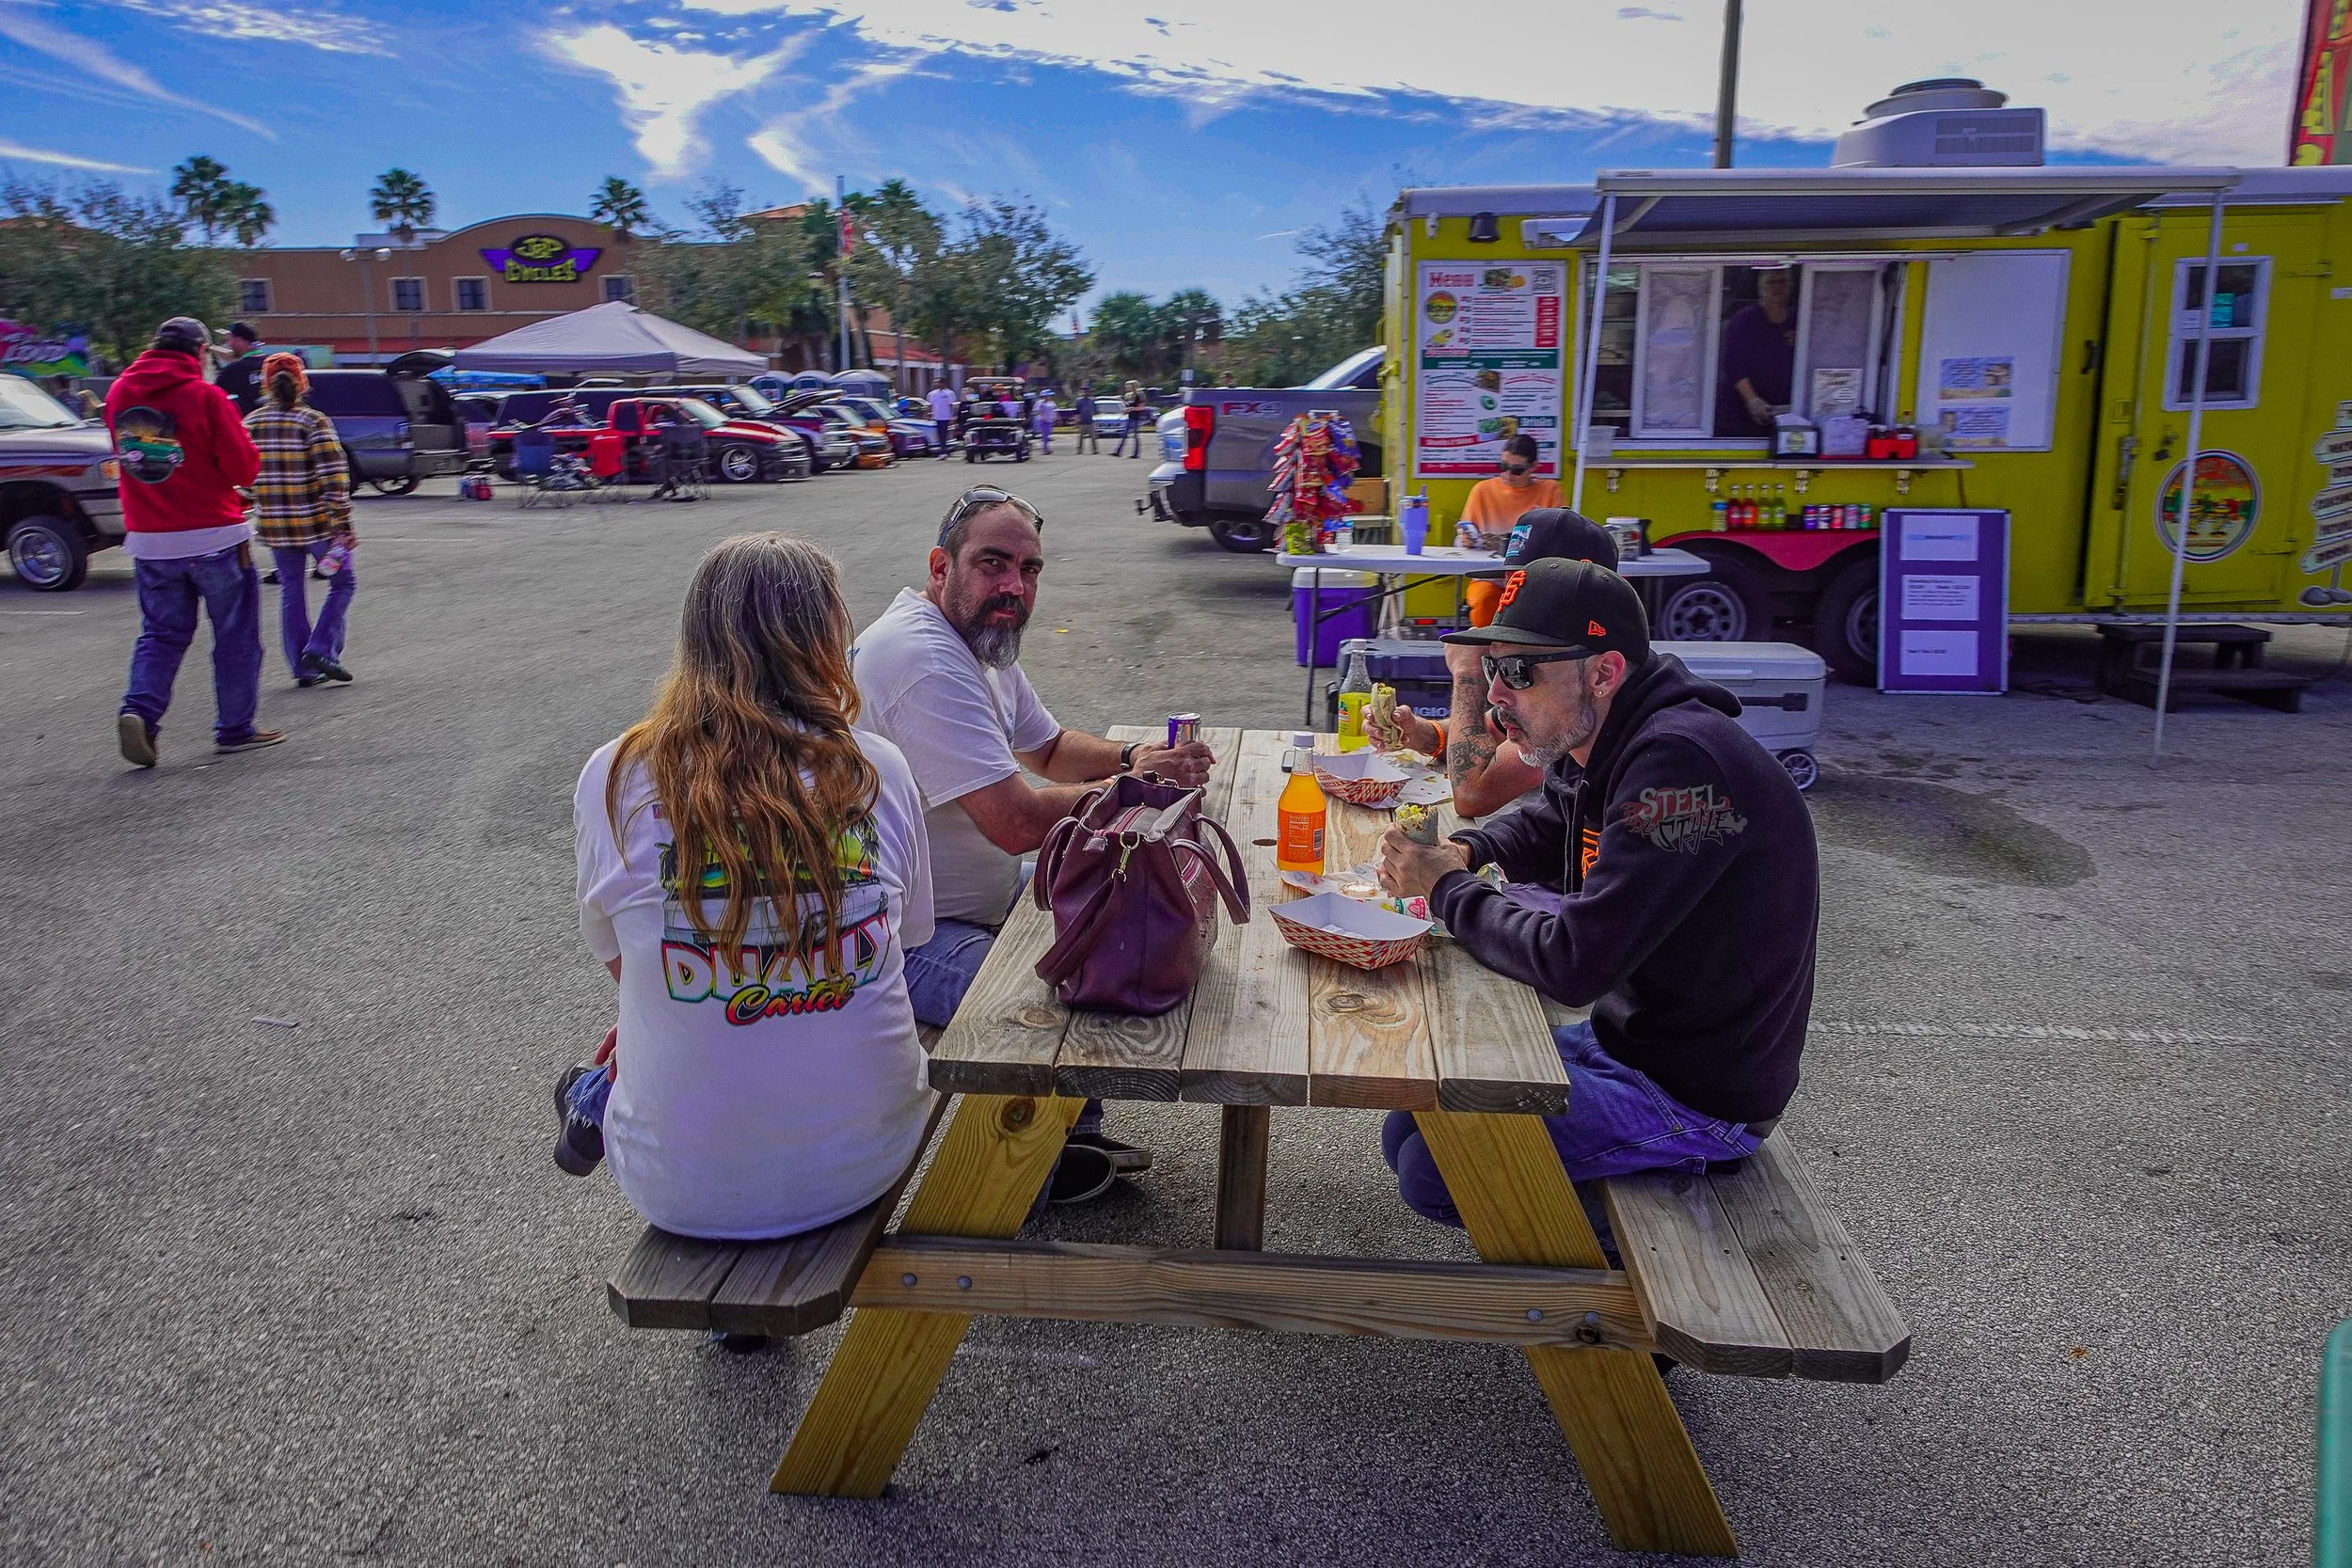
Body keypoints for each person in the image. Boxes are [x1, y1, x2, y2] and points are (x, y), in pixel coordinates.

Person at [1373, 558, 1818, 1231]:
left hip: (1699, 1096)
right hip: (1633, 1044)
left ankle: (1650, 1257)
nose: (1497, 696)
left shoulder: (1682, 767)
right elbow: (1551, 821)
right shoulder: (1608, 738)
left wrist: (1446, 887)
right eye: (1493, 667)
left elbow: (1575, 963)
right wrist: (1471, 850)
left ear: (1603, 671)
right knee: (1410, 1121)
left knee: (1434, 1168)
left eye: (1520, 673)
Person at [560, 532, 937, 1280]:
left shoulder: (617, 774)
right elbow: (911, 935)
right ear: (830, 640)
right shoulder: (876, 769)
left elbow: (621, 959)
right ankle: (596, 1092)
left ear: (695, 642)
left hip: (679, 1185)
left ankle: (594, 1094)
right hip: (869, 1153)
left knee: (656, 1011)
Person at [851, 487, 1214, 1201]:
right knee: (1067, 995)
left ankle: (1069, 1131)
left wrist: (1133, 757)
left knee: (1119, 918)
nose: (1015, 585)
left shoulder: (978, 639)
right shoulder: (922, 657)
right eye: (993, 563)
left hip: (966, 901)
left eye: (1030, 569)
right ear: (939, 565)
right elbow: (1017, 821)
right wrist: (1138, 791)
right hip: (901, 938)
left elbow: (1046, 747)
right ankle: (1013, 1176)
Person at [106, 315, 282, 767]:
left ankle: (140, 713)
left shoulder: (118, 394)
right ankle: (235, 728)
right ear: (200, 352)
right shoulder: (206, 396)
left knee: (161, 635)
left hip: (150, 541)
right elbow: (244, 470)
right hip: (214, 536)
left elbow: (131, 458)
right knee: (235, 636)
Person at [1368, 508, 1618, 818]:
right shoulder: (1559, 671)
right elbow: (1487, 735)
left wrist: (1468, 672)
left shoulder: (1573, 684)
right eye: (1508, 587)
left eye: (1528, 589)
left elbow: (1473, 792)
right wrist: (1416, 731)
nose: (1509, 604)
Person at [246, 353, 358, 687]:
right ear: (302, 382)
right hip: (317, 524)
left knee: (291, 591)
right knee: (343, 583)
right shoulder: (312, 421)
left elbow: (244, 478)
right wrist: (343, 523)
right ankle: (321, 647)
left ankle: (303, 668)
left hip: (275, 527)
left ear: (266, 384)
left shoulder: (250, 423)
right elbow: (333, 475)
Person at [1457, 435, 1563, 628]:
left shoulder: (1550, 490)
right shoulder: (1482, 490)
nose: (1507, 475)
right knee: (1484, 604)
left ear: (1533, 467)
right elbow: (1461, 539)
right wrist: (1466, 540)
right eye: (1503, 466)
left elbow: (1562, 539)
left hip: (1534, 579)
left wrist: (1507, 543)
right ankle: (1487, 650)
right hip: (1490, 578)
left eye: (1517, 470)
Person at [1716, 266, 1797, 438]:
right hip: (1742, 414)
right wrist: (1752, 401)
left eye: (1782, 282)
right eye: (1771, 282)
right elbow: (1734, 365)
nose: (1777, 287)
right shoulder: (1744, 320)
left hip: (1784, 416)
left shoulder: (1797, 320)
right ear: (1761, 287)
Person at [212, 323, 266, 414]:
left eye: (231, 339)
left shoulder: (233, 370)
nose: (229, 344)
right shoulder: (274, 364)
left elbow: (214, 397)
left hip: (245, 424)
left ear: (240, 340)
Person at [1113, 381, 1150, 458]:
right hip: (1130, 417)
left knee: (1135, 436)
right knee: (1124, 435)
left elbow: (1141, 407)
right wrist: (1126, 410)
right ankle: (1118, 452)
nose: (1126, 387)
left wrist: (1132, 408)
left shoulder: (1139, 395)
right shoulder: (1129, 395)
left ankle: (1136, 453)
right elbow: (1128, 406)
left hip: (1136, 418)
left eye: (1128, 386)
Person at [927, 382, 955, 459]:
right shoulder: (932, 394)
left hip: (945, 417)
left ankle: (944, 451)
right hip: (937, 417)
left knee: (944, 434)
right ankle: (942, 450)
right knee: (939, 435)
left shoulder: (948, 393)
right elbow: (930, 405)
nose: (937, 384)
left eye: (939, 383)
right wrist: (929, 414)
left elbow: (951, 405)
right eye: (936, 383)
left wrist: (952, 417)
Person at [1073, 387, 1100, 454]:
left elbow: (1095, 410)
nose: (1085, 393)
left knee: (1093, 437)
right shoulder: (1079, 401)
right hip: (1082, 421)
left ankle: (1095, 450)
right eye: (1084, 392)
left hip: (1090, 421)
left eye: (1087, 392)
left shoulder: (1092, 400)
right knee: (1081, 437)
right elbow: (1076, 411)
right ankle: (1079, 450)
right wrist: (1076, 420)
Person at [1032, 388, 1057, 455]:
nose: (1050, 397)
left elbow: (1054, 411)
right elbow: (1036, 411)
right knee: (1045, 435)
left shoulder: (1051, 403)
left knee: (1047, 436)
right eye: (1048, 396)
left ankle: (1046, 448)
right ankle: (1044, 450)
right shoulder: (1040, 403)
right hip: (1043, 421)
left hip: (1050, 421)